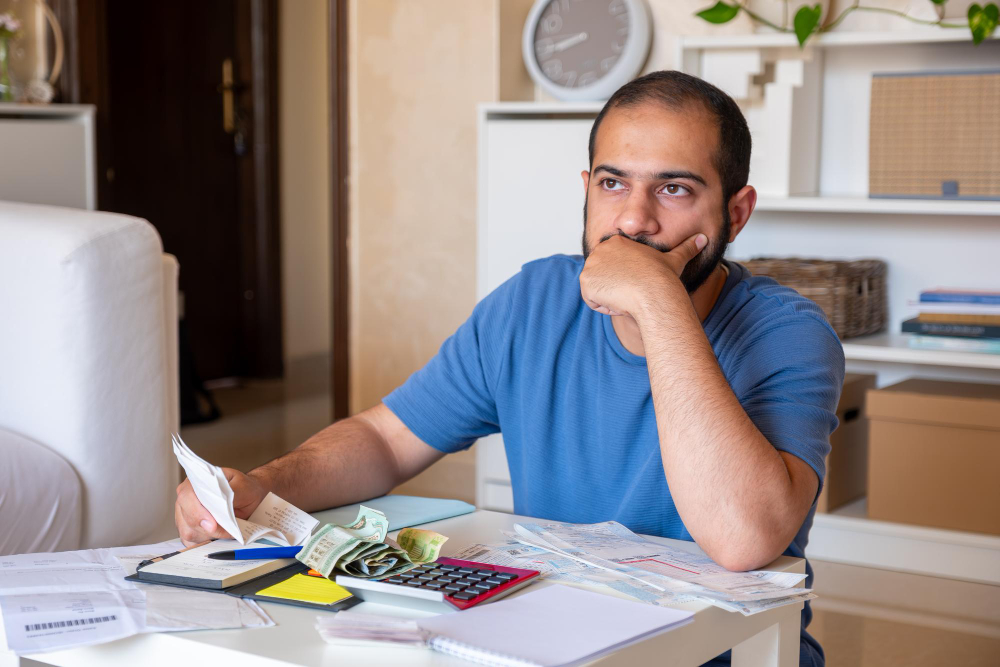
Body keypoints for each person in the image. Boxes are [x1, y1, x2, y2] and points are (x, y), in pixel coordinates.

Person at [175, 70, 844, 666]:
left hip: (721, 653)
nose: (633, 220)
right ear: (587, 189)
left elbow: (743, 539)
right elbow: (384, 439)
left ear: (735, 213)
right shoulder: (533, 301)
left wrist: (656, 299)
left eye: (673, 189)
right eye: (612, 184)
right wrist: (262, 487)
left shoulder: (788, 333)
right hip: (554, 639)